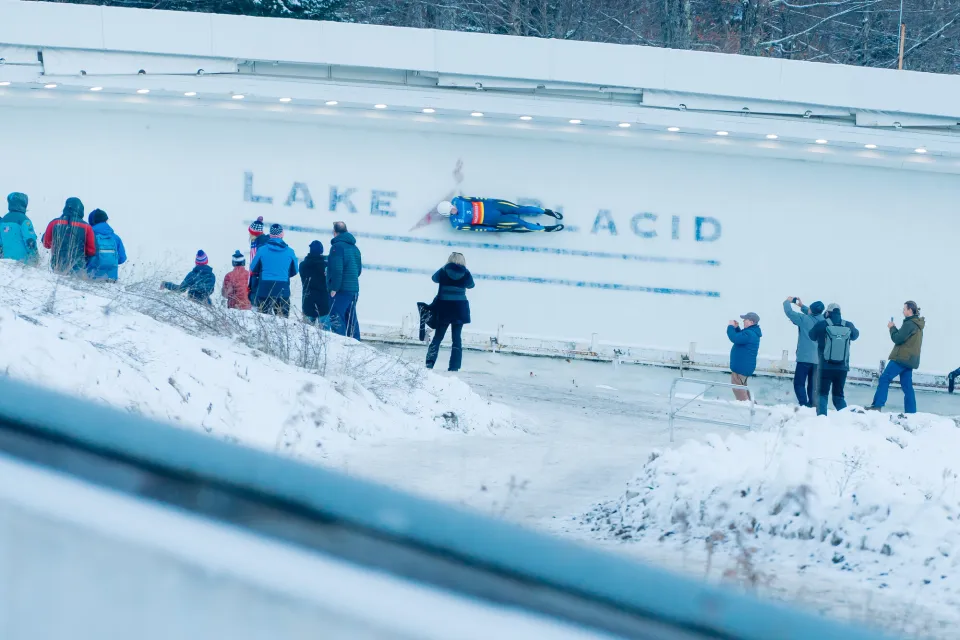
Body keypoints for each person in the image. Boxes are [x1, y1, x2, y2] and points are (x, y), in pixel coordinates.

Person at [867, 301, 924, 413]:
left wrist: (892, 328)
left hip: (901, 358)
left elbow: (897, 338)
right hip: (911, 360)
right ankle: (911, 412)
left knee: (884, 378)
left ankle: (877, 406)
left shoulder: (910, 323)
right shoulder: (918, 324)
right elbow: (904, 337)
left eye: (904, 309)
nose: (903, 311)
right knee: (907, 386)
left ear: (910, 310)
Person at [426, 252, 475, 373]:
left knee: (438, 337)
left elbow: (434, 278)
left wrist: (444, 267)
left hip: (444, 308)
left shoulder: (443, 270)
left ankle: (430, 363)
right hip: (459, 308)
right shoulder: (466, 272)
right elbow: (471, 285)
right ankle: (454, 367)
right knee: (456, 338)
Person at [808, 303, 859, 416]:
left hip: (825, 367)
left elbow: (811, 335)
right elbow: (856, 335)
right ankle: (847, 419)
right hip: (842, 368)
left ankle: (821, 420)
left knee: (822, 394)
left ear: (828, 313)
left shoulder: (822, 324)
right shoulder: (848, 325)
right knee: (838, 396)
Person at [782, 297, 824, 407]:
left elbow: (789, 312)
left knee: (799, 383)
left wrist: (787, 301)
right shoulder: (823, 321)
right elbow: (813, 314)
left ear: (811, 310)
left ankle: (804, 405)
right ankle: (813, 404)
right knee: (812, 385)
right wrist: (802, 306)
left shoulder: (804, 319)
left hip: (804, 358)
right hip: (818, 360)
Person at [436, 197, 564, 233]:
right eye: (452, 211)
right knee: (521, 223)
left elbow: (477, 198)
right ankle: (544, 229)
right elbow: (476, 228)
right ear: (448, 214)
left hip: (495, 205)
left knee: (520, 209)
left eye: (453, 207)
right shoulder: (457, 224)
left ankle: (546, 211)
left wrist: (493, 201)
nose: (454, 209)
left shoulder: (458, 200)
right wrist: (492, 229)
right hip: (495, 220)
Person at [250, 223, 298, 317]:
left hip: (264, 288)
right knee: (283, 320)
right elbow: (295, 270)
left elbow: (253, 268)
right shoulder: (290, 252)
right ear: (282, 234)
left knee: (263, 320)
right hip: (283, 288)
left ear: (270, 235)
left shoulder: (262, 250)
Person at [327, 221, 362, 339]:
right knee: (351, 318)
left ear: (335, 232)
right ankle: (356, 344)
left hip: (341, 290)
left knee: (336, 317)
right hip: (354, 290)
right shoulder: (355, 248)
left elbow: (337, 269)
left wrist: (334, 288)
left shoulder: (337, 247)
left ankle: (339, 343)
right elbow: (358, 270)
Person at [42, 197, 95, 275]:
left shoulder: (54, 223)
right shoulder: (86, 227)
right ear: (81, 209)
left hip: (57, 265)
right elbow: (91, 250)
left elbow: (46, 244)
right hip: (78, 268)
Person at [726, 312, 761, 401]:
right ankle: (753, 406)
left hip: (741, 368)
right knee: (743, 389)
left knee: (738, 390)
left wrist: (730, 327)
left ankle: (746, 408)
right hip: (743, 367)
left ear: (751, 322)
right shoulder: (751, 332)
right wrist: (736, 328)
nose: (743, 321)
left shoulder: (749, 333)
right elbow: (740, 337)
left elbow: (734, 338)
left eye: (745, 319)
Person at [85, 209, 127, 282]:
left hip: (91, 278)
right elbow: (122, 258)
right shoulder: (115, 238)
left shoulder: (89, 236)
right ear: (105, 220)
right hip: (111, 280)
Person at [0, 192, 39, 265]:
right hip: (23, 263)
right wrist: (35, 257)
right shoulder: (24, 220)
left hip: (6, 263)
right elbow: (30, 241)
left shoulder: (3, 220)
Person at [299, 240, 330, 325]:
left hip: (307, 301)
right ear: (321, 251)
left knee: (307, 331)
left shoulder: (302, 265)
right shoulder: (325, 266)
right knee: (325, 332)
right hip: (323, 301)